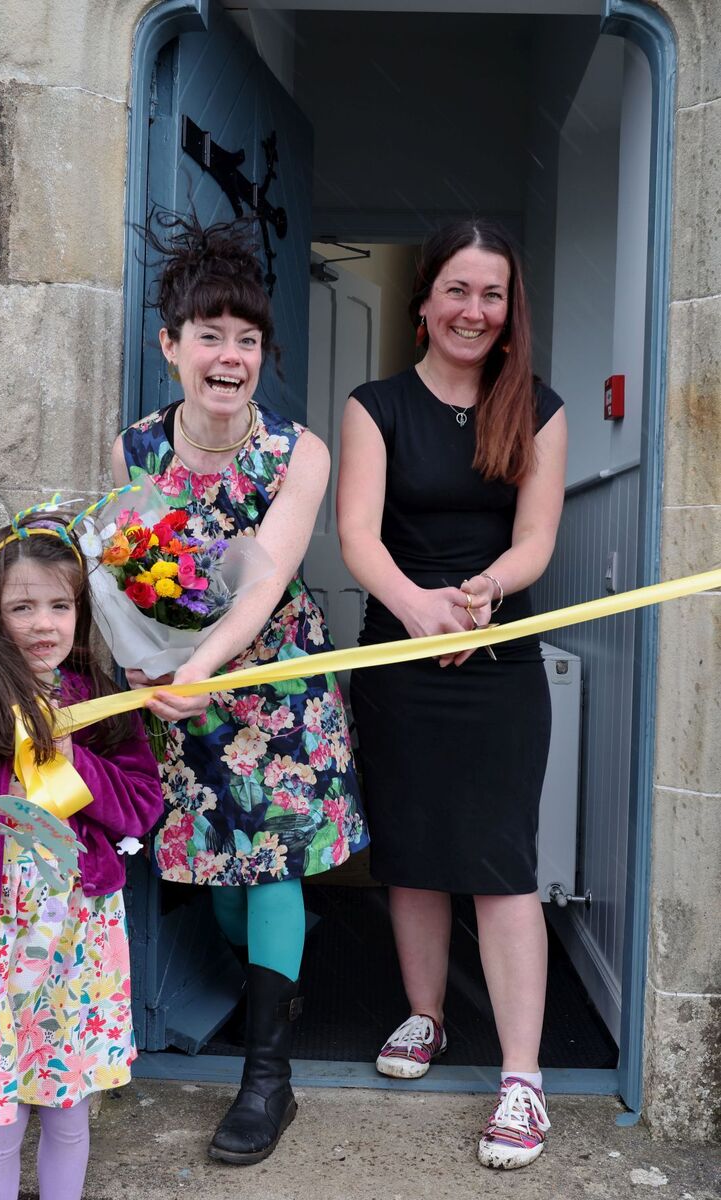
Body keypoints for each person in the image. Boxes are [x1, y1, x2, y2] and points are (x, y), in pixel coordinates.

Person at [112, 216, 368, 1166]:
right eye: (210, 336)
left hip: (274, 689)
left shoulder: (296, 453)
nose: (231, 356)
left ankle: (269, 1077)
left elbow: (264, 583)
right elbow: (129, 577)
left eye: (248, 340)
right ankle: (273, 984)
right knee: (214, 880)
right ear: (171, 347)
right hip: (182, 690)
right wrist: (143, 665)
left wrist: (200, 668)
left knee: (272, 868)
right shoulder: (136, 451)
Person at [337, 219, 567, 1170]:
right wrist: (415, 609)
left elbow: (536, 537)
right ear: (423, 302)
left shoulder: (539, 408)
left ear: (510, 312)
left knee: (501, 861)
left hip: (500, 657)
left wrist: (485, 594)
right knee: (415, 849)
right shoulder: (372, 404)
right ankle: (424, 1017)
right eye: (458, 291)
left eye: (493, 294)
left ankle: (522, 1079)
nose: (474, 311)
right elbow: (358, 536)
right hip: (400, 656)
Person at [0, 512, 164, 1200]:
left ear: (80, 612)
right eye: (22, 606)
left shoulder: (105, 705)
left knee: (67, 1107)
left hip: (80, 937)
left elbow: (143, 805)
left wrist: (82, 766)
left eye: (59, 605)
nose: (43, 623)